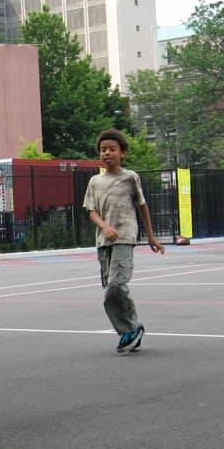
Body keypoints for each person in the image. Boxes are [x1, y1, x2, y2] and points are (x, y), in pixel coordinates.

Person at [83, 128, 165, 354]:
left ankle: (131, 327)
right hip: (103, 241)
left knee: (116, 286)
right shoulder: (94, 181)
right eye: (103, 150)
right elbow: (91, 210)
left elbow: (142, 206)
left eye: (112, 149)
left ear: (123, 153)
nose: (107, 153)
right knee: (110, 289)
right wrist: (104, 226)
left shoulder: (130, 178)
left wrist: (150, 235)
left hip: (125, 237)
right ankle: (129, 330)